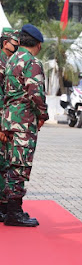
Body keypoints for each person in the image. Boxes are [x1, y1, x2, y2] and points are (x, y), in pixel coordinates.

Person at [2, 24, 48, 227]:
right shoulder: (32, 62)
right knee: (19, 166)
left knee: (10, 164)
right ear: (37, 44)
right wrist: (43, 115)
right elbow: (35, 92)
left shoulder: (11, 60)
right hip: (24, 121)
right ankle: (14, 212)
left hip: (9, 120)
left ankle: (7, 208)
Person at [0, 27, 19, 222]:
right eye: (15, 42)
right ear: (5, 42)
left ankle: (4, 204)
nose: (17, 46)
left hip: (7, 119)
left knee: (5, 163)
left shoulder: (10, 61)